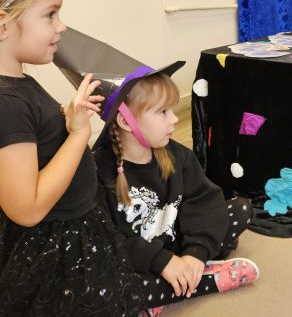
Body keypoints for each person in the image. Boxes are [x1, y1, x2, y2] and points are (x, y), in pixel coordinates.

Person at [55, 28, 260, 314]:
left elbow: (204, 203)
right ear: (125, 122)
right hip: (138, 261)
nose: (174, 119)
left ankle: (185, 275)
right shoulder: (98, 171)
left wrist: (195, 254)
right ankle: (200, 281)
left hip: (175, 244)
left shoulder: (179, 156)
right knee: (96, 285)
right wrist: (160, 261)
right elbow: (104, 241)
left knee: (240, 209)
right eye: (163, 112)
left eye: (171, 110)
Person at [0, 0, 145, 314]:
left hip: (74, 227)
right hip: (55, 245)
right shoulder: (7, 103)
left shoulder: (18, 84)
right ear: (3, 24)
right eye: (50, 14)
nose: (61, 26)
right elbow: (27, 208)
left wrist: (65, 123)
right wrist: (79, 135)